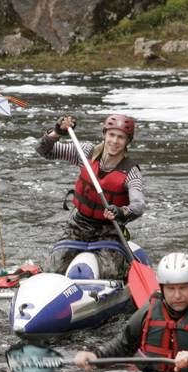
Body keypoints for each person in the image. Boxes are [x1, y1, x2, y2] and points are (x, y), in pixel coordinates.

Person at [74, 252, 188, 372]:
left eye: (183, 288)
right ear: (162, 289)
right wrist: (96, 355)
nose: (177, 295)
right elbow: (123, 343)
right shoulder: (149, 310)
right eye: (171, 289)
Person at [35, 114, 145, 280]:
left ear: (127, 141)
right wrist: (57, 132)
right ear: (104, 134)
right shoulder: (85, 152)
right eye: (111, 135)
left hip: (109, 230)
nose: (115, 141)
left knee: (111, 274)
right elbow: (44, 150)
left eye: (121, 137)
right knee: (52, 269)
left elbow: (138, 205)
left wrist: (121, 211)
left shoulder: (131, 171)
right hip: (78, 225)